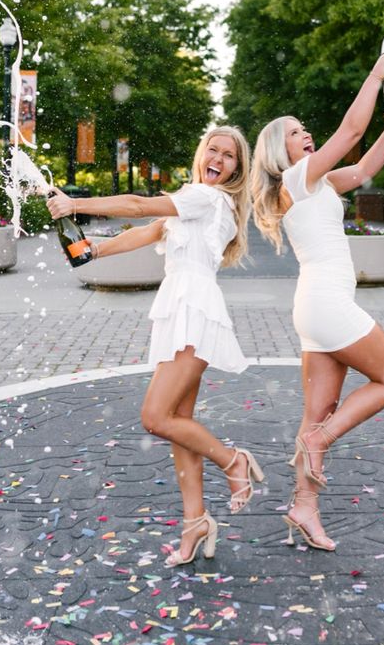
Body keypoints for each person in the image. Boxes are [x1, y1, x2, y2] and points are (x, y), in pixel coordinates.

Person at [47, 126, 264, 567]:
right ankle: (195, 522)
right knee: (178, 421)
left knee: (155, 416)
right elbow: (148, 229)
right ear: (202, 152)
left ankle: (234, 461)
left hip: (195, 309)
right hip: (179, 308)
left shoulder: (210, 199)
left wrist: (75, 204)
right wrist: (91, 251)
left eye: (229, 155)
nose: (218, 158)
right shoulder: (192, 198)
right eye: (213, 149)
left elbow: (137, 204)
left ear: (237, 169)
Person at [251, 53, 384, 550]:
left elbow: (360, 168)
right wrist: (373, 75)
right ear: (280, 148)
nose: (307, 134)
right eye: (296, 131)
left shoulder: (315, 183)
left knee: (316, 413)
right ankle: (319, 442)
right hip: (325, 303)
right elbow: (347, 134)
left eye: (306, 129)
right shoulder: (295, 181)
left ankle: (304, 505)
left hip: (316, 308)